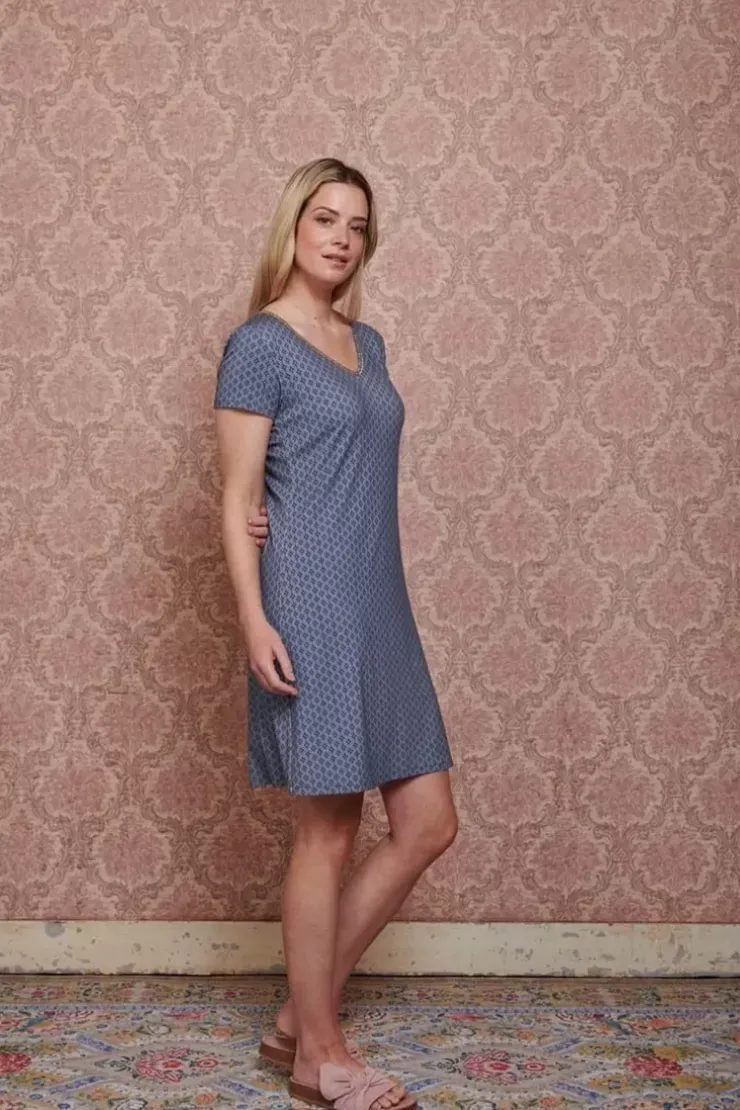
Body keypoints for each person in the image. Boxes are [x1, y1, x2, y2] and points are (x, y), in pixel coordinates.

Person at [214, 157, 457, 1110]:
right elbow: (238, 498)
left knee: (428, 822)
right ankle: (319, 1053)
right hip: (307, 603)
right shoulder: (258, 345)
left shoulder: (371, 344)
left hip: (379, 603)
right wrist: (254, 618)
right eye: (325, 218)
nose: (341, 239)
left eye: (357, 226)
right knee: (329, 830)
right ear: (293, 226)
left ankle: (294, 1014)